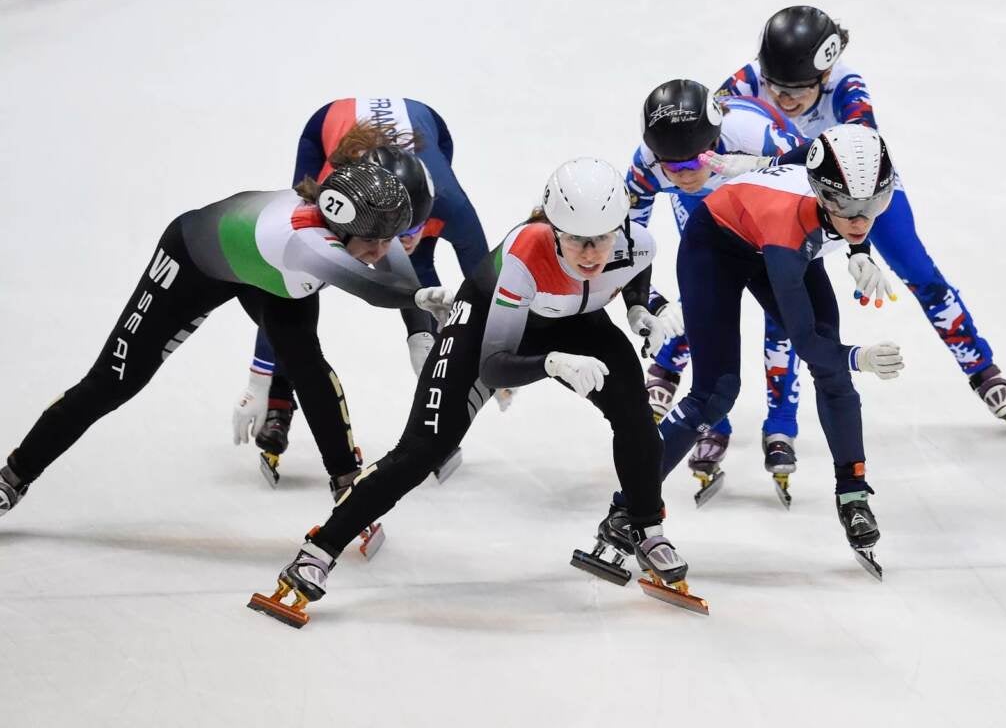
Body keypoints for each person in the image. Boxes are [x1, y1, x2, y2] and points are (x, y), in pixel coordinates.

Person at [247, 158, 707, 628]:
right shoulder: (525, 255)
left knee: (636, 419)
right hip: (487, 328)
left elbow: (631, 272)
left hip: (578, 323)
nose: (590, 255)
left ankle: (643, 525)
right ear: (552, 228)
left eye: (601, 240)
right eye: (574, 240)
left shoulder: (638, 243)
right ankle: (318, 551)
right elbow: (494, 365)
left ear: (621, 227)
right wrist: (551, 364)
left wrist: (638, 313)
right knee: (423, 449)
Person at [0, 160, 454, 521]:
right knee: (114, 381)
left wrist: (418, 329)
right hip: (194, 262)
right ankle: (13, 476)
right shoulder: (304, 242)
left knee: (306, 365)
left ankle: (347, 483)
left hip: (265, 274)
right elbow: (371, 286)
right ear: (342, 226)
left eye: (387, 239)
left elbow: (391, 265)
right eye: (375, 243)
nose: (381, 251)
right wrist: (415, 297)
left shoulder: (362, 223)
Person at [614, 124, 903, 580]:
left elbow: (849, 192)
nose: (860, 220)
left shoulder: (837, 174)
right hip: (718, 246)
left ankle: (854, 494)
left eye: (874, 206)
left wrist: (859, 251)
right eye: (846, 207)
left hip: (777, 230)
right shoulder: (788, 236)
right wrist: (857, 356)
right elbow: (807, 343)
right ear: (821, 192)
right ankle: (627, 506)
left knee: (835, 380)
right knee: (715, 392)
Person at [716, 5, 1006, 426]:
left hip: (862, 184)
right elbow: (704, 137)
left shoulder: (848, 85)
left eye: (796, 91)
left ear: (825, 76)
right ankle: (781, 422)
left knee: (920, 271)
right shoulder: (746, 81)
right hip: (792, 193)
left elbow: (859, 161)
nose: (783, 99)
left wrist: (860, 248)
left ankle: (982, 369)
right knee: (785, 299)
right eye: (774, 87)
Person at [233, 98, 490, 485]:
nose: (391, 245)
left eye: (409, 229)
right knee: (302, 275)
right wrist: (261, 376)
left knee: (416, 264)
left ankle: (435, 399)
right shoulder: (331, 192)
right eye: (387, 232)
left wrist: (486, 349)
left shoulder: (451, 204)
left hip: (427, 124)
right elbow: (280, 280)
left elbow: (482, 283)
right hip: (326, 129)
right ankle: (279, 400)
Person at [627, 78, 814, 507]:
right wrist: (646, 304)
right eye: (672, 169)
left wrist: (855, 251)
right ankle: (714, 422)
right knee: (706, 307)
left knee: (784, 309)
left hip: (769, 194)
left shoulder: (755, 134)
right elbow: (627, 243)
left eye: (694, 164)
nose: (685, 175)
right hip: (713, 212)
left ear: (716, 141)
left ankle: (781, 422)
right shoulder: (645, 165)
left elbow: (817, 180)